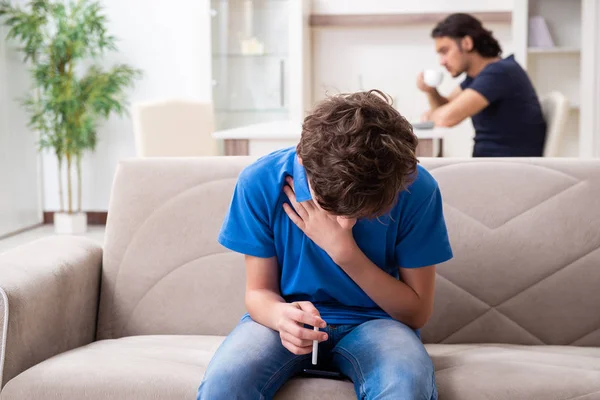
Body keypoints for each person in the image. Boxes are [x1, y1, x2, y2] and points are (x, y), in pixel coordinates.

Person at [197, 90, 453, 400]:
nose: (345, 220)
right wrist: (280, 316)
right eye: (333, 207)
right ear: (302, 156)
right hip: (285, 321)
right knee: (225, 383)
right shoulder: (261, 181)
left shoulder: (414, 187)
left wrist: (343, 251)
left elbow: (416, 313)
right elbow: (258, 292)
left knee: (405, 383)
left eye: (362, 214)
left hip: (379, 323)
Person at [417, 13, 547, 157]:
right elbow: (445, 107)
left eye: (445, 51)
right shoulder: (478, 76)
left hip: (505, 168)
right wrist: (431, 91)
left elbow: (445, 119)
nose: (442, 61)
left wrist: (431, 117)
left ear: (467, 43)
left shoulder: (499, 73)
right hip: (493, 164)